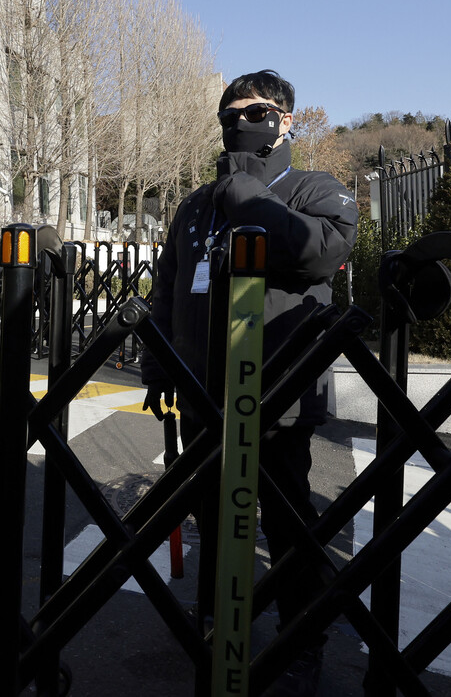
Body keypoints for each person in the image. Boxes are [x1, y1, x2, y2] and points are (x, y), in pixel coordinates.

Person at [139, 70, 357, 697]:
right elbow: (169, 288)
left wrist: (243, 189)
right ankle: (217, 622)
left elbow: (320, 253)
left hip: (280, 394)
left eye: (255, 111)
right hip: (204, 392)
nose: (240, 121)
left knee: (288, 526)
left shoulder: (317, 189)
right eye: (229, 112)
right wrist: (160, 367)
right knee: (212, 514)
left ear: (287, 120)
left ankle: (302, 639)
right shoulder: (195, 205)